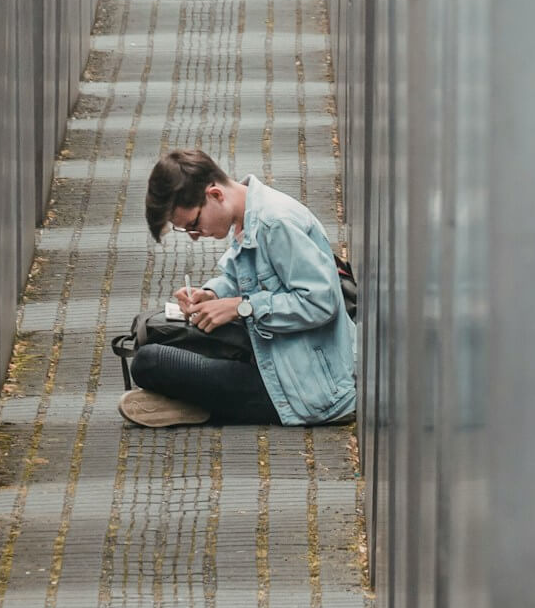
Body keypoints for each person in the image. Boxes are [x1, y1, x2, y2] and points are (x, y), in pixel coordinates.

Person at [118, 148, 357, 428]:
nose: (195, 237)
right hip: (274, 357)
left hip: (308, 391)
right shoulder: (250, 215)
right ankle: (194, 402)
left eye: (193, 224)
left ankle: (196, 404)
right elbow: (239, 279)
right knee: (157, 341)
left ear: (215, 195)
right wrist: (211, 294)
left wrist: (242, 307)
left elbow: (320, 302)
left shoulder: (275, 223)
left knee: (150, 362)